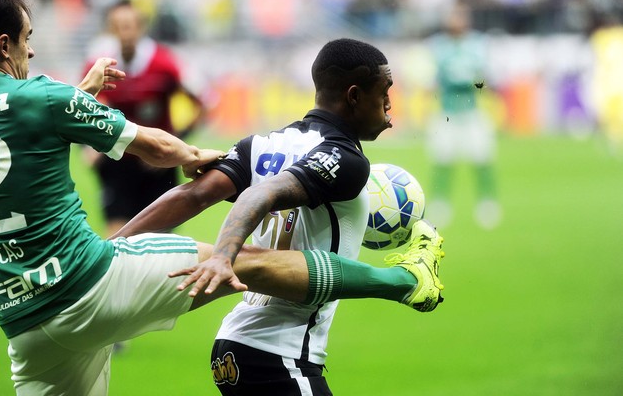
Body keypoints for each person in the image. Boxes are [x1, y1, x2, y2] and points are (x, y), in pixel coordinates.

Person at [0, 0, 447, 395]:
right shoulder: (43, 93)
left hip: (23, 322)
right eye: (27, 37)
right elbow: (154, 147)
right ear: (4, 45)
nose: (33, 50)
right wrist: (188, 152)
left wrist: (79, 97)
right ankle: (406, 279)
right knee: (250, 262)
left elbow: (9, 129)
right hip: (85, 282)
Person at [114, 38, 439, 395]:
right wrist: (222, 257)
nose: (390, 104)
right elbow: (260, 194)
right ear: (354, 96)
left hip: (236, 347)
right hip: (280, 354)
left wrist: (114, 246)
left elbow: (192, 194)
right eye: (384, 92)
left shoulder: (261, 144)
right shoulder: (346, 160)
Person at [83, 0, 205, 236]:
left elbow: (205, 102)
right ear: (110, 29)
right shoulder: (99, 64)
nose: (124, 32)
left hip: (157, 167)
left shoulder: (164, 62)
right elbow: (81, 103)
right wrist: (89, 145)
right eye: (118, 26)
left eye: (129, 25)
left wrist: (173, 143)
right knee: (117, 241)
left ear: (141, 27)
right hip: (118, 163)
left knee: (161, 245)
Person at [425, 2, 502, 230]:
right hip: (447, 112)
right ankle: (440, 204)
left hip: (472, 111)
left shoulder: (478, 44)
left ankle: (487, 203)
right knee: (442, 160)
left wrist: (475, 84)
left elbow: (484, 78)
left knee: (482, 158)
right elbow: (435, 79)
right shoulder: (438, 46)